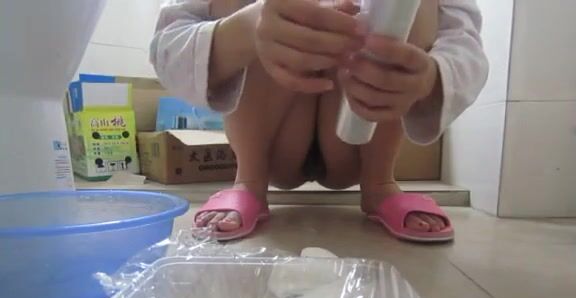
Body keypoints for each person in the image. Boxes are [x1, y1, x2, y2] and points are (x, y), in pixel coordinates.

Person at [151, 0, 488, 242]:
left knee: (418, 3)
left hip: (359, 141)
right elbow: (168, 42)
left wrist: (428, 78)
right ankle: (249, 181)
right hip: (274, 141)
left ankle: (380, 183)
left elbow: (465, 44)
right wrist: (249, 26)